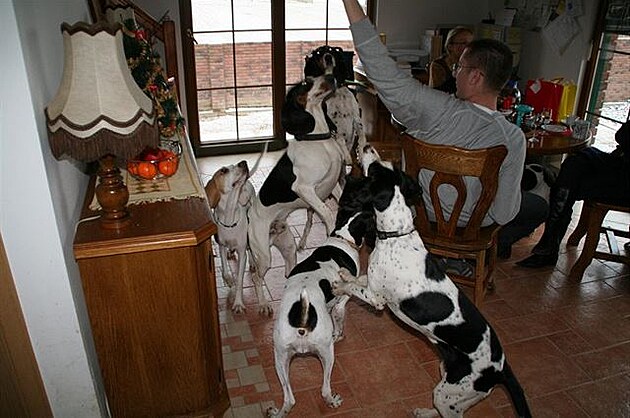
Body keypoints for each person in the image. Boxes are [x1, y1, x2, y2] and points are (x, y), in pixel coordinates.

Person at [340, 0, 526, 274]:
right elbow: (503, 214)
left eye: (459, 67)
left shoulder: (433, 110)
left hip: (422, 220)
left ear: (475, 77)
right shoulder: (514, 138)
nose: (454, 72)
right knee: (534, 205)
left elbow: (381, 69)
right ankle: (460, 258)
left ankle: (434, 253)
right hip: (471, 232)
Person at [517, 120, 630, 268]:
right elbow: (621, 136)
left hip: (625, 183)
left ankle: (548, 249)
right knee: (575, 164)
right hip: (620, 164)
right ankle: (548, 247)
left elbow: (623, 136)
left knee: (572, 179)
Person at [428, 26, 474, 94]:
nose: (469, 46)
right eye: (464, 43)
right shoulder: (438, 65)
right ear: (450, 46)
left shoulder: (473, 64)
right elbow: (437, 93)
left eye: (471, 43)